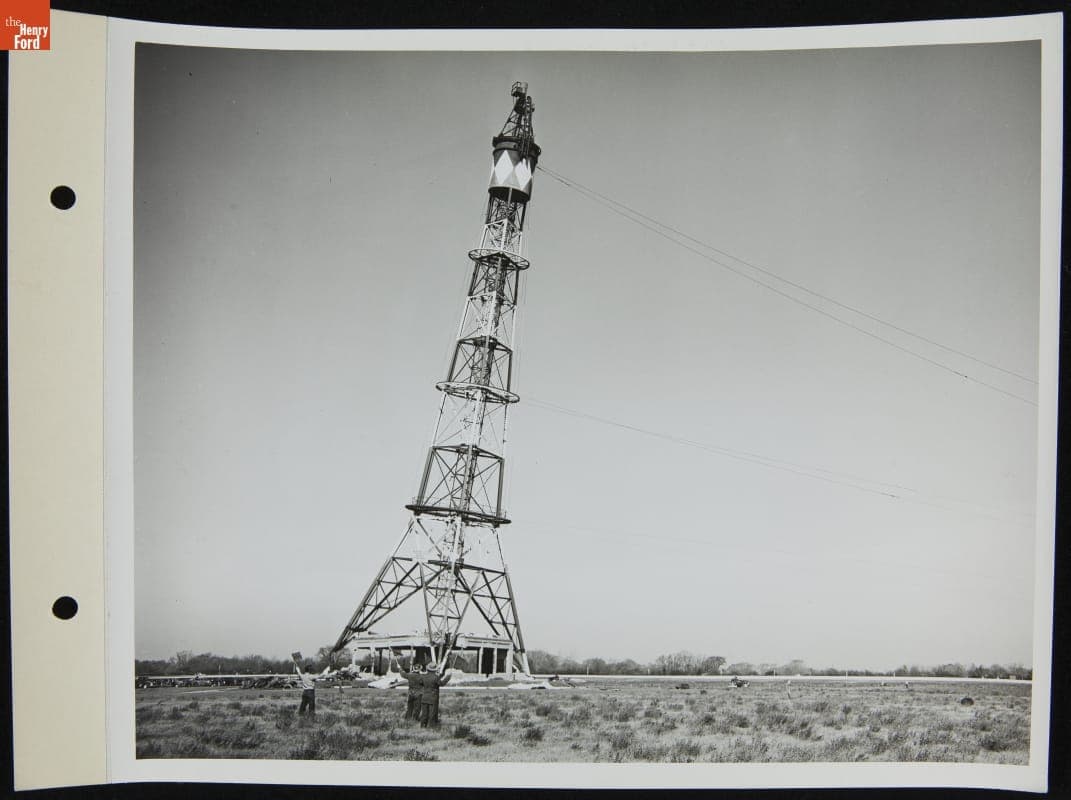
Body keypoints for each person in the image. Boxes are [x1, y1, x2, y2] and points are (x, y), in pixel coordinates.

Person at [418, 660, 451, 728]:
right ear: (434, 669)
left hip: (424, 697)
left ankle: (422, 726)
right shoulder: (436, 677)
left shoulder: (424, 676)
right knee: (432, 714)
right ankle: (432, 727)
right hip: (433, 698)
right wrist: (448, 677)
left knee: (424, 713)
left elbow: (421, 683)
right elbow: (441, 683)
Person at [394, 657, 424, 722]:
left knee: (410, 707)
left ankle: (407, 719)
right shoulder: (422, 677)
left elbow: (403, 674)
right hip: (419, 694)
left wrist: (399, 668)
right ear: (419, 669)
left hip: (411, 693)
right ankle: (415, 719)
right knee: (417, 708)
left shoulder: (410, 675)